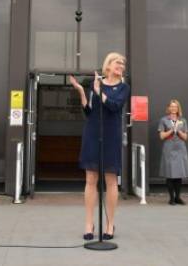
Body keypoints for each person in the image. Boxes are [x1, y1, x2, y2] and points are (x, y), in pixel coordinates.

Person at [69, 52, 129, 241]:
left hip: (111, 136)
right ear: (108, 65)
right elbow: (89, 111)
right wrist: (81, 91)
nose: (121, 66)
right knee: (90, 179)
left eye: (122, 63)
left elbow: (114, 106)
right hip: (92, 134)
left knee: (111, 179)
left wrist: (99, 92)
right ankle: (88, 223)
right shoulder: (96, 84)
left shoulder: (123, 87)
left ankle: (110, 224)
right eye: (117, 62)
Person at [158, 99, 188, 205]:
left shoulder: (183, 120)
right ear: (168, 108)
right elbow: (162, 136)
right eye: (171, 106)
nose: (173, 108)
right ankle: (171, 198)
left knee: (179, 174)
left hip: (180, 148)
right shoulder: (164, 120)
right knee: (170, 174)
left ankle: (178, 197)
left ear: (178, 108)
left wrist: (179, 130)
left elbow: (186, 137)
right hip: (169, 149)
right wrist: (172, 129)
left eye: (175, 106)